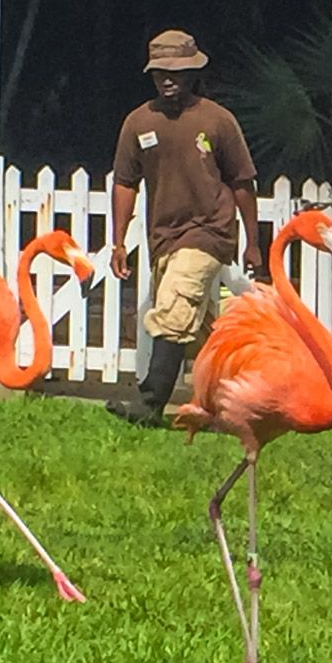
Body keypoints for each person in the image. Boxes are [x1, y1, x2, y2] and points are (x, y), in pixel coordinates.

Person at [105, 29, 262, 426]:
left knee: (174, 309)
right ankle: (251, 396)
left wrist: (253, 242)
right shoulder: (138, 122)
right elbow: (125, 182)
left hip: (209, 232)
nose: (168, 79)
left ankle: (149, 405)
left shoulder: (217, 120)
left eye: (176, 71)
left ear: (193, 73)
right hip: (163, 239)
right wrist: (118, 242)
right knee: (206, 326)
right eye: (160, 72)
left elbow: (242, 182)